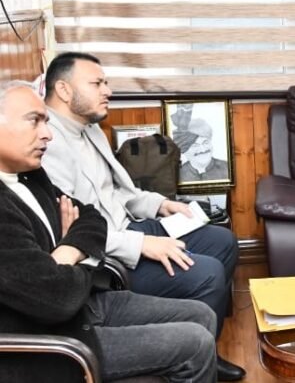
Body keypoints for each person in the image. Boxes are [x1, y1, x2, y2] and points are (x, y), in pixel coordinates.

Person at [40, 52, 245, 381]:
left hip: (131, 225)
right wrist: (143, 244)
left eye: (106, 82)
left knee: (223, 241)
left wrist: (160, 204)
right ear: (64, 90)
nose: (107, 90)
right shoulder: (47, 145)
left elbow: (118, 191)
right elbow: (75, 231)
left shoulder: (89, 128)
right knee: (208, 273)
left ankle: (207, 349)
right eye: (97, 83)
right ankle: (192, 352)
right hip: (110, 256)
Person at [0, 81, 217, 382]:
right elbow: (56, 299)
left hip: (84, 304)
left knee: (202, 315)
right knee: (196, 342)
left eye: (46, 121)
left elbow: (91, 218)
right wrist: (77, 252)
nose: (47, 134)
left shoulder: (31, 175)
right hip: (50, 342)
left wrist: (66, 250)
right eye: (34, 121)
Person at [174, 118, 230, 182]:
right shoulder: (177, 174)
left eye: (205, 142)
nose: (202, 150)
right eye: (195, 145)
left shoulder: (227, 168)